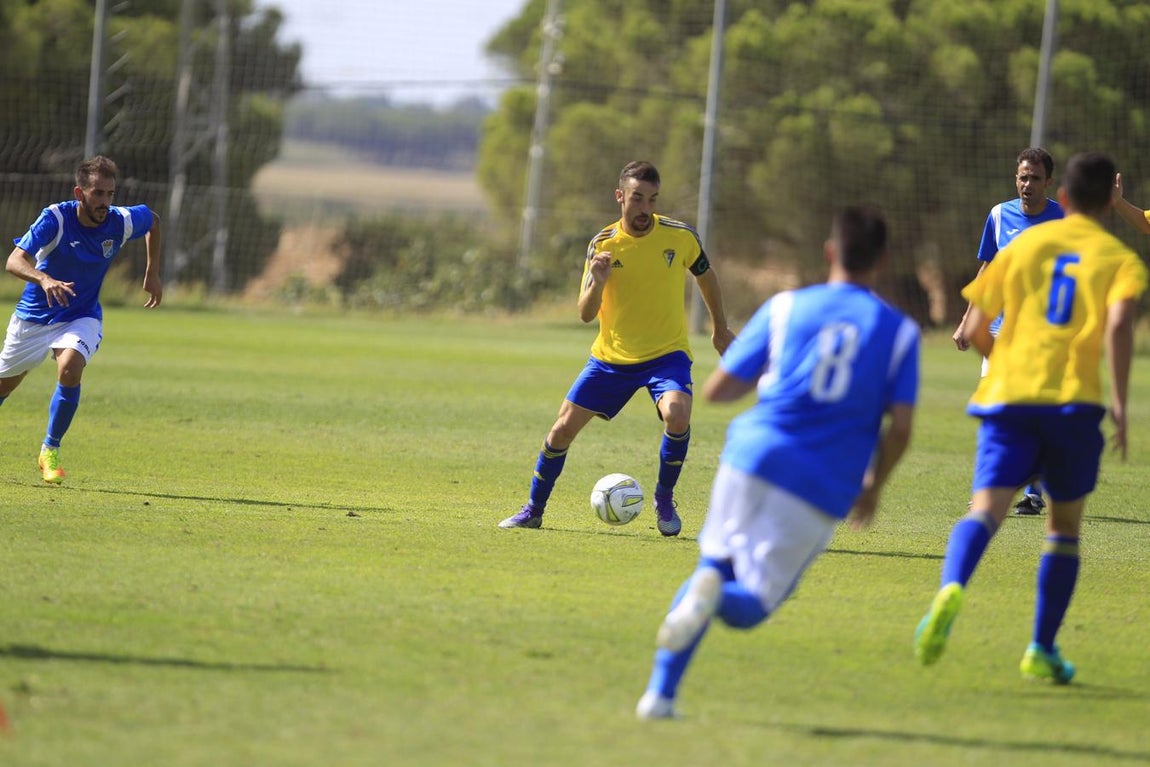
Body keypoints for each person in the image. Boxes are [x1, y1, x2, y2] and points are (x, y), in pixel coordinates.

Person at [636, 206, 919, 719]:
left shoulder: (787, 307)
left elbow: (721, 390)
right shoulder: (899, 332)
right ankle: (710, 604)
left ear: (830, 253)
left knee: (712, 567)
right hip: (820, 480)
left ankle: (660, 694)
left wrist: (768, 374)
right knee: (748, 608)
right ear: (881, 261)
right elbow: (900, 427)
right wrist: (874, 485)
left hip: (751, 453)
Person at [914, 151, 1146, 685]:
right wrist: (1119, 405)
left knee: (984, 511)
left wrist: (1003, 365)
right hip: (1073, 404)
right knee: (1063, 530)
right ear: (1106, 203)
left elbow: (974, 330)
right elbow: (1118, 332)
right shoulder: (1119, 260)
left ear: (1060, 193)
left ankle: (950, 588)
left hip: (1009, 399)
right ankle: (1041, 646)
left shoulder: (1022, 247)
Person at [499, 161, 734, 536]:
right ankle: (533, 509)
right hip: (611, 358)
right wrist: (598, 279)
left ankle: (663, 499)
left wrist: (720, 329)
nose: (645, 208)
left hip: (666, 354)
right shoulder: (603, 244)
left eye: (653, 199)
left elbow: (706, 275)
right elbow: (585, 313)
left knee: (677, 414)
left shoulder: (680, 236)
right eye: (638, 198)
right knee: (560, 431)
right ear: (620, 196)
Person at [0, 156, 162, 483]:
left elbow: (154, 220)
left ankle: (50, 449)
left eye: (110, 194)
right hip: (34, 319)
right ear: (80, 193)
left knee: (71, 366)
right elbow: (15, 261)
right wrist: (44, 280)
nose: (105, 202)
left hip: (81, 316)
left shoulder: (120, 221)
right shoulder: (55, 219)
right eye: (98, 193)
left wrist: (152, 271)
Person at [954, 148, 1064, 516]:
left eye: (1034, 178)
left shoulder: (1063, 221)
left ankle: (1033, 491)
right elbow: (987, 270)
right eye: (1022, 177)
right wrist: (968, 319)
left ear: (1049, 182)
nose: (1026, 184)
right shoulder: (999, 216)